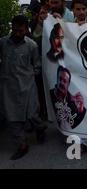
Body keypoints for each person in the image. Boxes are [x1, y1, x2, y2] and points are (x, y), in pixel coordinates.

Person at [0, 15, 47, 160]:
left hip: (28, 86)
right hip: (8, 87)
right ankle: (22, 145)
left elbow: (37, 65)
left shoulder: (31, 45)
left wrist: (30, 75)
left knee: (32, 114)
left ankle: (40, 128)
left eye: (20, 31)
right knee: (13, 118)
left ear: (26, 29)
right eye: (14, 30)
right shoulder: (2, 43)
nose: (17, 33)